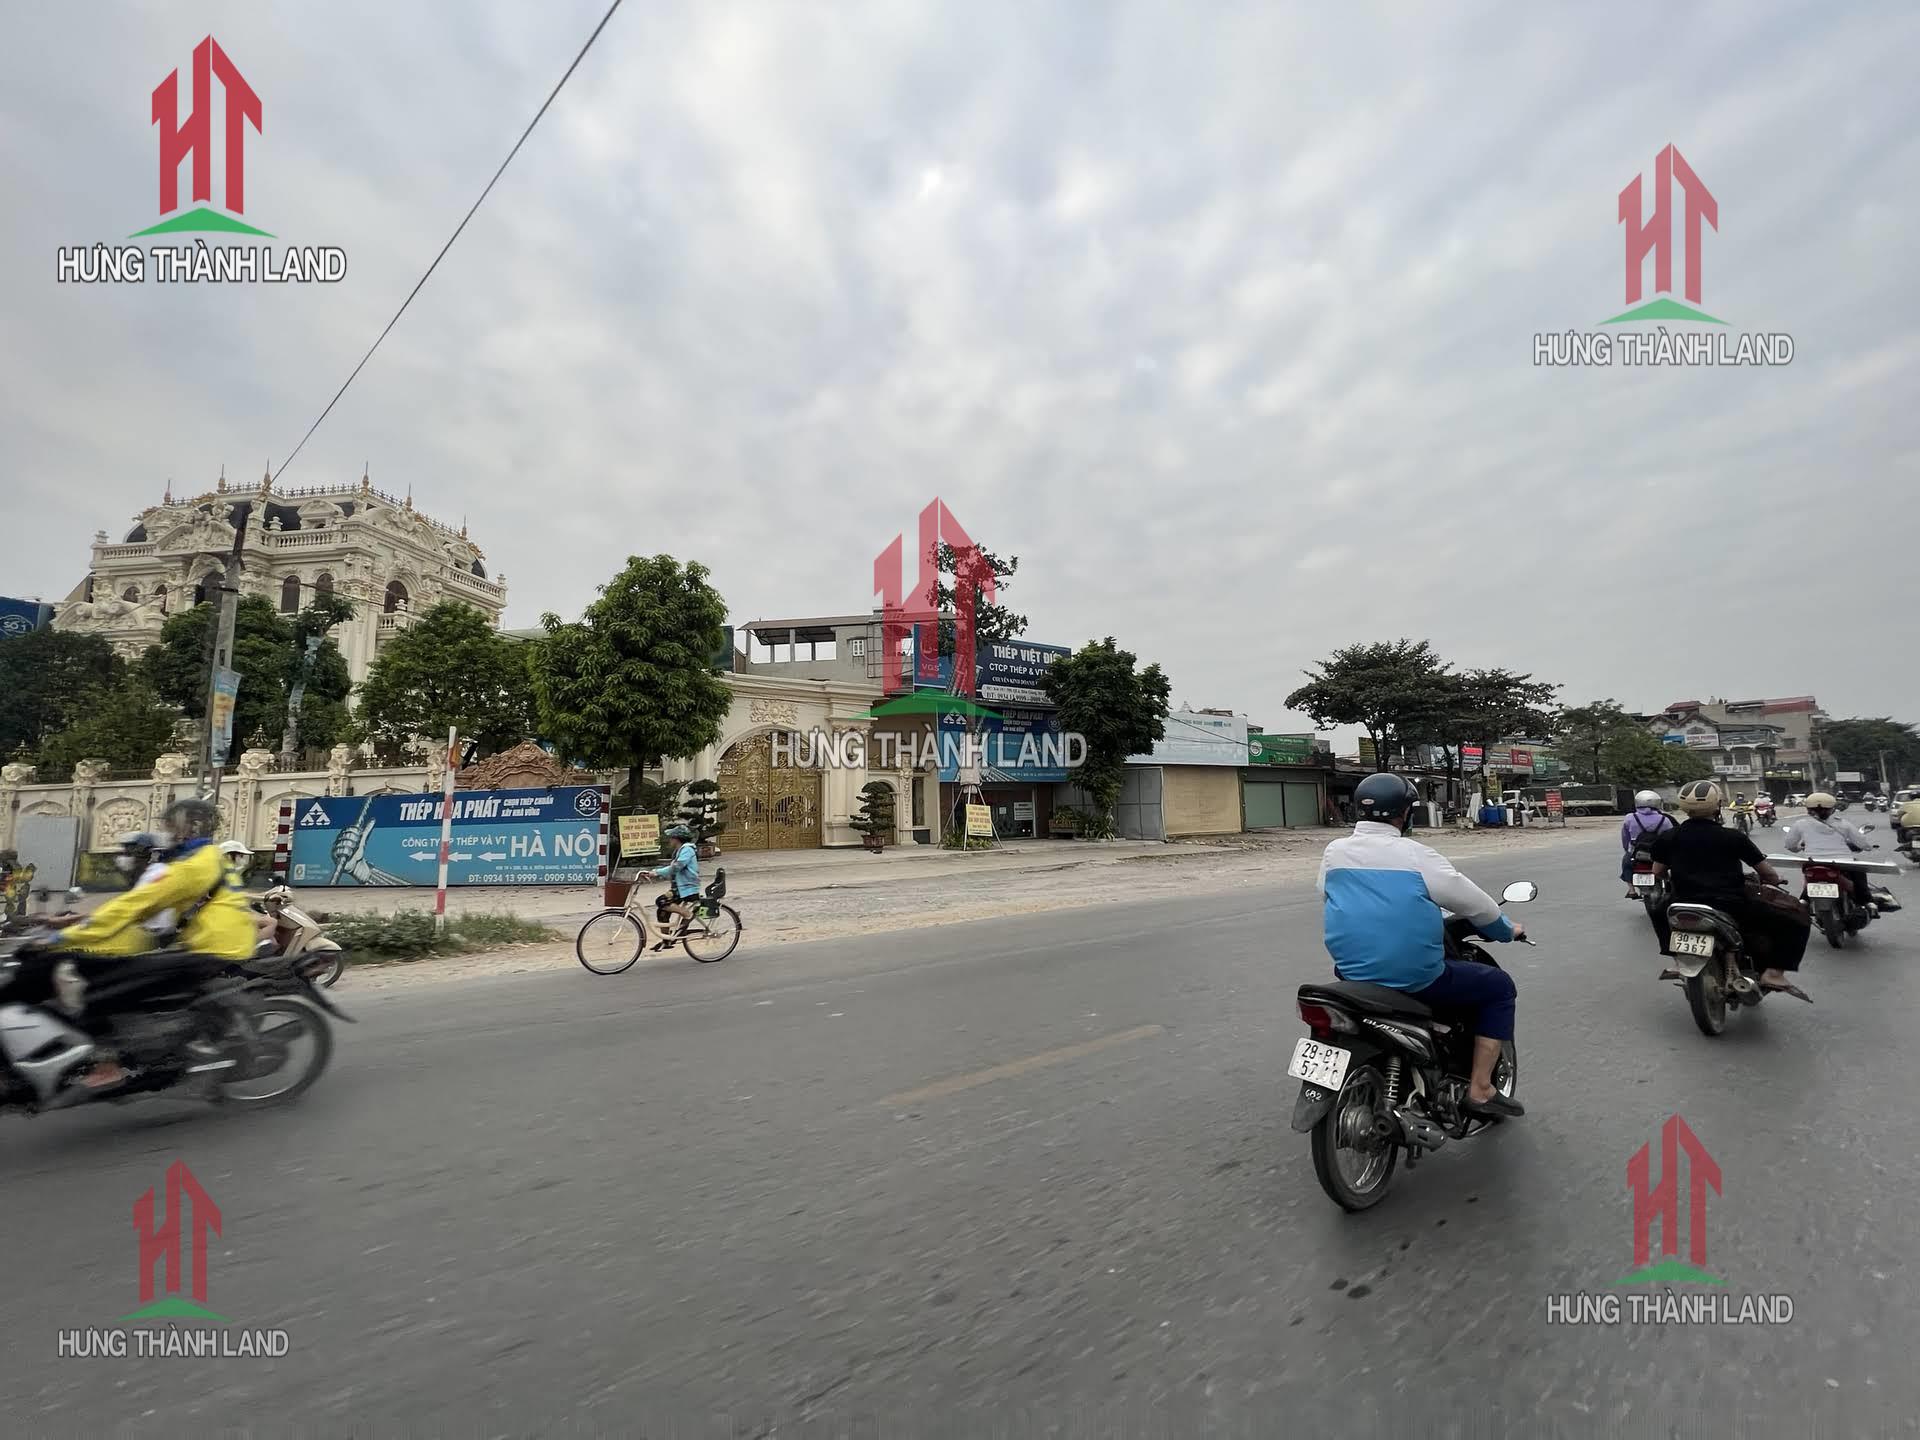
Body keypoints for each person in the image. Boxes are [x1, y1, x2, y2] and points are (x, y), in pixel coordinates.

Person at [1316, 772, 1527, 1119]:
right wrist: (1506, 930)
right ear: (1405, 813)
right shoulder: (1417, 855)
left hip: (1350, 974)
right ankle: (1480, 1089)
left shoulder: (1334, 852)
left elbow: (1327, 893)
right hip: (1414, 977)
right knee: (1499, 987)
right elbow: (1477, 905)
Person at [51, 798, 260, 1096]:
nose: (169, 833)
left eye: (173, 827)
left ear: (191, 828)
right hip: (217, 942)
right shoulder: (210, 856)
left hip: (211, 949)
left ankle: (113, 1061)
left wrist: (66, 937)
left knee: (113, 986)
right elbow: (141, 906)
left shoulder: (190, 866)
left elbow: (135, 905)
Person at [1648, 780, 1810, 998]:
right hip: (1731, 904)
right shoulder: (1733, 837)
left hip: (1683, 901)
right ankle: (1773, 973)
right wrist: (1774, 880)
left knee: (1659, 912)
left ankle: (1678, 960)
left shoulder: (1668, 837)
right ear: (1717, 805)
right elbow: (1767, 873)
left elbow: (1657, 871)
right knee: (1796, 917)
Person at [1784, 792, 1897, 915]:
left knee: (1809, 878)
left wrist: (1798, 848)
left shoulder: (1800, 824)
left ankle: (1804, 900)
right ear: (1832, 809)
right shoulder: (1843, 824)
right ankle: (1868, 902)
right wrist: (1868, 847)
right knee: (1859, 872)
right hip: (1843, 862)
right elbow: (1862, 843)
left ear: (1808, 809)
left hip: (1812, 862)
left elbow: (1790, 845)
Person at [648, 823, 703, 947]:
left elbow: (676, 867)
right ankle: (667, 940)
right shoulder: (680, 850)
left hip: (688, 888)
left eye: (671, 837)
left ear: (677, 838)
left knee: (661, 901)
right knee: (662, 912)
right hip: (679, 888)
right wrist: (655, 873)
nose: (670, 840)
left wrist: (656, 872)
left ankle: (687, 914)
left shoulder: (687, 850)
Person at [1619, 791, 1675, 898]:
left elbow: (1625, 837)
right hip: (1658, 852)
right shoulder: (1664, 820)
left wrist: (1628, 850)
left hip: (1636, 852)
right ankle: (1669, 884)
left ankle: (1631, 890)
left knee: (1626, 864)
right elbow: (1671, 837)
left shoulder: (1630, 818)